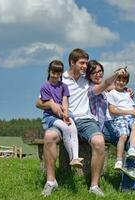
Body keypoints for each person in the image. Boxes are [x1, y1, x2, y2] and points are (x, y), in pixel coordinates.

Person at [36, 48, 117, 197]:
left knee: (99, 141)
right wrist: (51, 105)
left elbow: (104, 85)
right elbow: (38, 102)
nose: (85, 66)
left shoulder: (87, 79)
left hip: (86, 120)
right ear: (72, 63)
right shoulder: (60, 79)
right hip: (64, 119)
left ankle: (94, 185)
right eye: (82, 63)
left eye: (86, 63)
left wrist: (125, 89)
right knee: (49, 137)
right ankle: (51, 182)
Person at [86, 60, 135, 192]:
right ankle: (128, 182)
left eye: (100, 71)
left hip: (117, 121)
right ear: (88, 75)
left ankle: (129, 169)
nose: (97, 74)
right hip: (104, 126)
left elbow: (113, 87)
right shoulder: (91, 87)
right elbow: (107, 85)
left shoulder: (112, 88)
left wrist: (126, 89)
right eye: (94, 72)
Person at [40, 59, 83, 168]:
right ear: (49, 72)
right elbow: (53, 106)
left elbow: (65, 102)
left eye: (58, 73)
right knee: (65, 128)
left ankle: (75, 158)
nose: (55, 76)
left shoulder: (64, 86)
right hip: (51, 117)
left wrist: (66, 114)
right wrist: (62, 116)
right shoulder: (45, 87)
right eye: (53, 73)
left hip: (63, 113)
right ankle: (72, 157)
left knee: (72, 127)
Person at [107, 67, 135, 171]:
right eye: (118, 79)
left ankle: (131, 149)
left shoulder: (127, 93)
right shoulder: (112, 93)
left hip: (131, 117)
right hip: (120, 118)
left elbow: (133, 106)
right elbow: (112, 110)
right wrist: (130, 112)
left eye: (124, 80)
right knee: (123, 136)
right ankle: (119, 160)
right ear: (114, 80)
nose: (121, 82)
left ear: (126, 82)